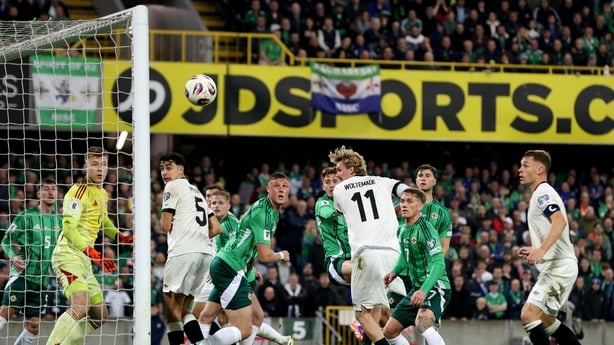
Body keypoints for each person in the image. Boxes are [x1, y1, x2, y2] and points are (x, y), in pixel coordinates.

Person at [46, 147, 134, 345]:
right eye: (94, 164)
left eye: (103, 164)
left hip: (85, 259)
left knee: (99, 315)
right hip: (67, 255)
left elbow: (103, 222)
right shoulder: (77, 192)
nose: (100, 169)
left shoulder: (102, 194)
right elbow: (69, 229)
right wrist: (93, 252)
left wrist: (121, 236)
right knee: (80, 306)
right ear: (86, 166)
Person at [197, 172, 291, 345]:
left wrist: (249, 270)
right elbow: (265, 255)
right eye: (276, 186)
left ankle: (283, 340)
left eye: (285, 186)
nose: (281, 190)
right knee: (244, 329)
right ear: (268, 189)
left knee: (256, 316)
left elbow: (246, 244)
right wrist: (281, 255)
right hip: (230, 269)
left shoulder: (269, 210)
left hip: (233, 268)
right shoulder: (264, 214)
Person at [328, 145, 409, 345]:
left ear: (351, 170)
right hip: (394, 255)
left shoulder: (339, 190)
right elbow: (407, 192)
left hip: (367, 254)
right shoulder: (383, 181)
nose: (337, 175)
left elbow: (341, 212)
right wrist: (396, 209)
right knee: (378, 308)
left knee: (361, 314)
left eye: (339, 170)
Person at [517, 150, 582, 345]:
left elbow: (559, 221)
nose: (520, 170)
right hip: (560, 264)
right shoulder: (540, 193)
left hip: (559, 266)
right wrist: (537, 248)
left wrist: (541, 251)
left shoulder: (543, 193)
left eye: (525, 165)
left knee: (528, 315)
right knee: (546, 321)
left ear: (540, 169)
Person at [158, 152, 221, 345]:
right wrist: (196, 234)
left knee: (170, 304)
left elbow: (164, 225)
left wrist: (184, 233)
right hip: (205, 254)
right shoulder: (197, 192)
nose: (164, 172)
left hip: (183, 253)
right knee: (182, 309)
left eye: (169, 167)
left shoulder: (172, 186)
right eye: (161, 168)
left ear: (181, 170)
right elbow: (216, 227)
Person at [382, 187, 450, 345]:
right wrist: (394, 272)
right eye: (403, 201)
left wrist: (424, 290)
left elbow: (439, 263)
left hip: (436, 286)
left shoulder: (426, 230)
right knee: (389, 331)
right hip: (417, 289)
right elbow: (405, 256)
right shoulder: (403, 229)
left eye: (410, 201)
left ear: (420, 206)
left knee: (422, 323)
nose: (404, 205)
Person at [0, 178, 61, 345]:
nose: (50, 192)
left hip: (42, 281)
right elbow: (6, 240)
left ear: (57, 194)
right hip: (22, 275)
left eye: (53, 189)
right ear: (38, 193)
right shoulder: (26, 216)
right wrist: (13, 256)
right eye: (46, 189)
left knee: (34, 326)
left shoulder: (60, 221)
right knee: (6, 314)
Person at [315, 166, 351, 286]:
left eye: (335, 181)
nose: (331, 185)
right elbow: (328, 213)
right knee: (365, 267)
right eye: (327, 182)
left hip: (354, 257)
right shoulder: (322, 203)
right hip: (335, 262)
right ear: (323, 186)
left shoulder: (350, 200)